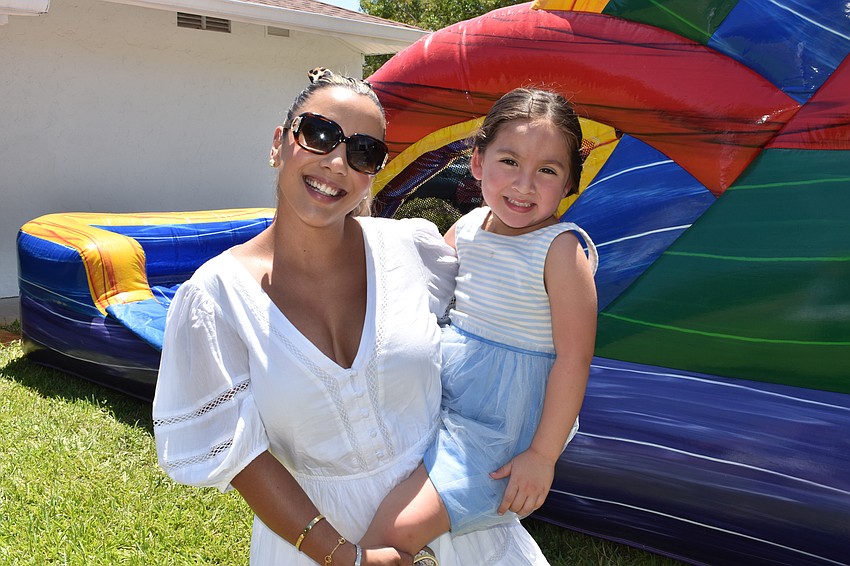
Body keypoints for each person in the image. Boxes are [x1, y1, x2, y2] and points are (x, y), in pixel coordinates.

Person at [152, 69, 554, 565]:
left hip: (460, 526)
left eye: (363, 151)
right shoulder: (216, 299)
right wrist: (347, 558)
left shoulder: (413, 250)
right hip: (315, 546)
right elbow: (240, 456)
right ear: (279, 143)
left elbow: (508, 313)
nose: (337, 161)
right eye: (319, 134)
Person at [360, 87, 599, 560]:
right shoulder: (468, 226)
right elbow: (422, 286)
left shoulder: (561, 250)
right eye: (509, 161)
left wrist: (542, 456)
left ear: (571, 183)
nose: (524, 184)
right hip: (445, 394)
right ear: (476, 162)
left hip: (500, 423)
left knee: (395, 531)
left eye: (547, 170)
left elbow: (575, 360)